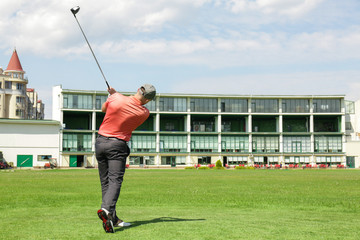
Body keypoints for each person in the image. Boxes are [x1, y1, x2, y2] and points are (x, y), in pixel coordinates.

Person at [95, 84, 156, 233]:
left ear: (138, 89)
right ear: (148, 100)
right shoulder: (144, 112)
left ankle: (112, 219)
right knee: (115, 180)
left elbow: (104, 109)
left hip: (100, 142)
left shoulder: (116, 98)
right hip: (117, 145)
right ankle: (106, 210)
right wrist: (116, 95)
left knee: (106, 182)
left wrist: (112, 95)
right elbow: (127, 105)